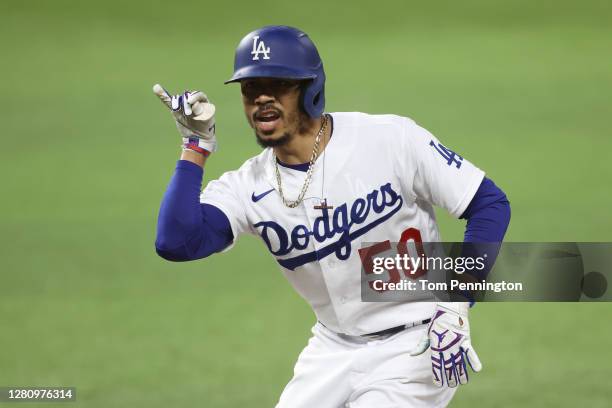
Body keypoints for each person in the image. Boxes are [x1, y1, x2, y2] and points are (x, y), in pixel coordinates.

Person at [153, 25, 510, 407]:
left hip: (418, 343)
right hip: (331, 349)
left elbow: (489, 203)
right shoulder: (247, 186)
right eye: (250, 89)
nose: (261, 99)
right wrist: (195, 147)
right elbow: (177, 242)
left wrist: (458, 299)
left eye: (277, 85)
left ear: (310, 90)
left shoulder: (388, 139)